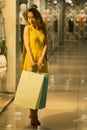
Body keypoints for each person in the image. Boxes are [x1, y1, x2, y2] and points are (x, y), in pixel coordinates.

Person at [23, 8, 48, 127]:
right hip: (31, 60)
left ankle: (35, 113)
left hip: (41, 61)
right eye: (28, 18)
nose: (30, 20)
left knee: (39, 90)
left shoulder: (43, 29)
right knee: (31, 89)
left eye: (32, 17)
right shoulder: (27, 28)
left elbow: (45, 45)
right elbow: (27, 46)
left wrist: (41, 59)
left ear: (37, 17)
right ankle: (32, 115)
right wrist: (33, 61)